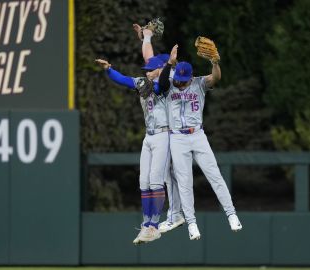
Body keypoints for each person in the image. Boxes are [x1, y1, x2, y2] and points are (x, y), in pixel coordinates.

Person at [158, 44, 243, 240]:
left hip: (197, 135)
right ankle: (192, 223)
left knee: (215, 175)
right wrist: (170, 63)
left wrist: (214, 63)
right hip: (177, 137)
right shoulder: (170, 82)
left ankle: (231, 214)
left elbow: (216, 78)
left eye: (182, 80)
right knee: (185, 183)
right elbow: (162, 82)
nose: (179, 83)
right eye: (177, 79)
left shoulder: (199, 83)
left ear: (190, 76)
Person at [95, 56, 169, 244]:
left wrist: (160, 76)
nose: (147, 72)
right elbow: (124, 80)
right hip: (149, 136)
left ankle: (154, 225)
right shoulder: (144, 82)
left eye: (151, 69)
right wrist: (109, 69)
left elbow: (161, 87)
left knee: (155, 180)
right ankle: (146, 225)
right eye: (147, 69)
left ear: (161, 69)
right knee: (143, 180)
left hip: (163, 135)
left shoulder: (167, 82)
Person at [132, 24, 186, 233]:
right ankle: (171, 214)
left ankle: (175, 214)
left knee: (166, 176)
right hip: (167, 129)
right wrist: (146, 37)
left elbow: (160, 73)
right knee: (165, 176)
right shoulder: (159, 72)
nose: (148, 69)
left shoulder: (169, 77)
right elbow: (149, 58)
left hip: (177, 130)